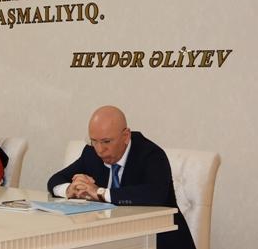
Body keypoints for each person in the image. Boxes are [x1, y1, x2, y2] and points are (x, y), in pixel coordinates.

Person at [47, 105, 195, 249]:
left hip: (158, 240)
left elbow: (155, 194)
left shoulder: (151, 155)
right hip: (112, 239)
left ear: (126, 136)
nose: (100, 150)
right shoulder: (91, 152)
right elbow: (56, 179)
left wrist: (100, 193)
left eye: (106, 141)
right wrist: (69, 189)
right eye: (94, 141)